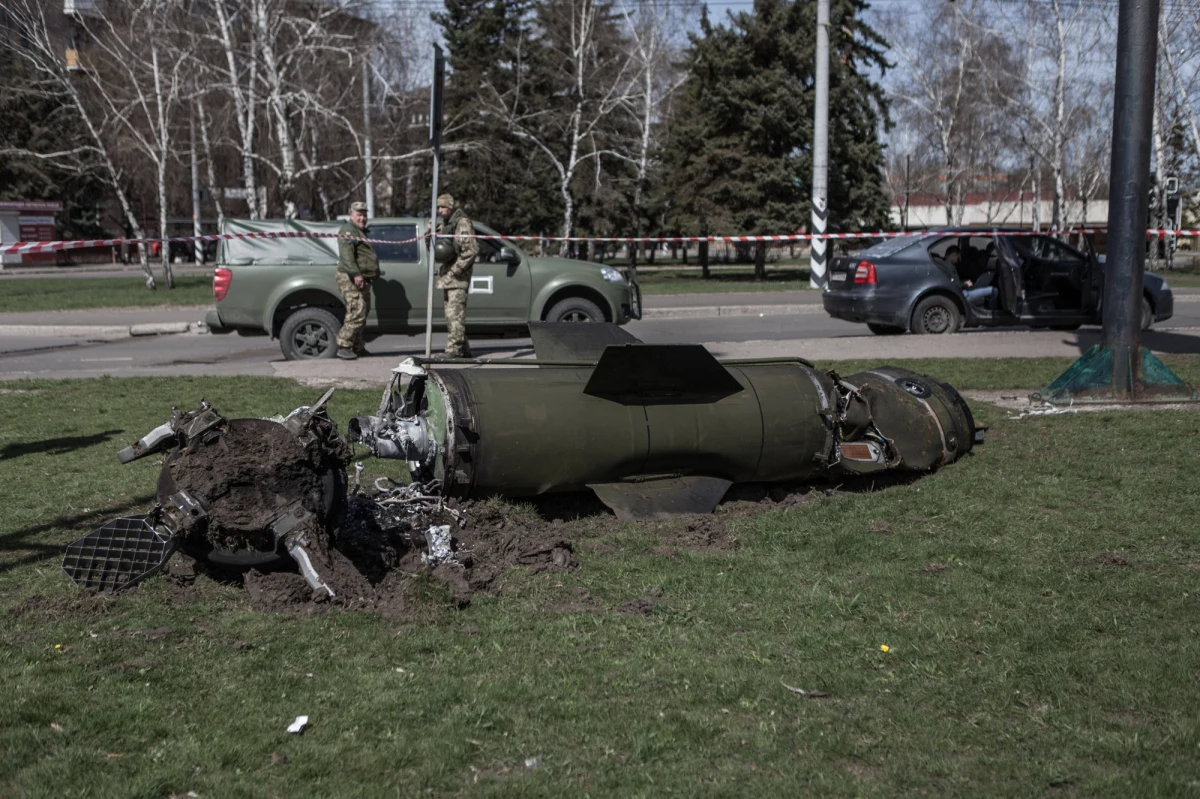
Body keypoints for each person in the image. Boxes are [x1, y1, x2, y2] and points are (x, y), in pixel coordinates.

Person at [435, 193, 478, 358]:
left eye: (444, 207)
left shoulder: (462, 223)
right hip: (447, 276)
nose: (441, 210)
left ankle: (453, 350)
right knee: (452, 315)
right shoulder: (446, 224)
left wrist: (454, 271)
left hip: (458, 278)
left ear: (451, 207)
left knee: (454, 315)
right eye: (439, 207)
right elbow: (437, 247)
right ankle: (464, 348)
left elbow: (470, 251)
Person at [335, 201, 379, 360]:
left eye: (364, 214)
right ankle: (344, 344)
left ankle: (357, 346)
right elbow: (346, 255)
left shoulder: (359, 231)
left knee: (364, 312)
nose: (362, 218)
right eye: (359, 214)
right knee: (357, 311)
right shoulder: (348, 230)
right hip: (350, 277)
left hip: (362, 278)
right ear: (351, 214)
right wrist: (356, 274)